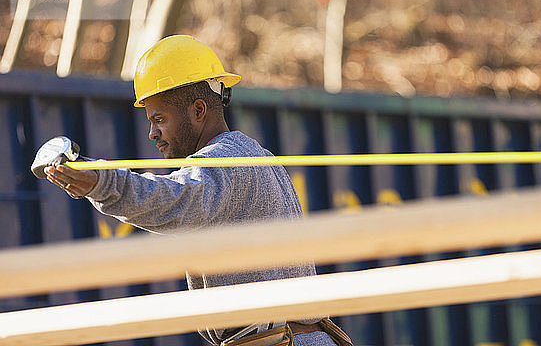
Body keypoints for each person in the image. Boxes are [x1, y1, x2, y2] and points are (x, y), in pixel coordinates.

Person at [43, 35, 351, 346]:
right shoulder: (255, 155)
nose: (152, 133)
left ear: (198, 110)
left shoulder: (225, 161)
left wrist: (102, 184)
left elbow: (175, 200)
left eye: (159, 119)